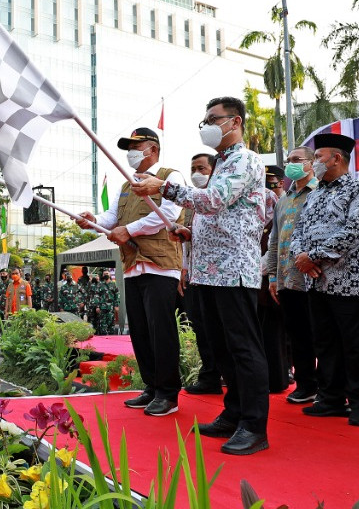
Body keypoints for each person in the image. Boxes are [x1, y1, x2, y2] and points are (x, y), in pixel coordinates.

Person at [132, 98, 270, 455]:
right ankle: (234, 412)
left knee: (243, 348)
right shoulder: (223, 163)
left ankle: (254, 425)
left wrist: (163, 188)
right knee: (220, 348)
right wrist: (191, 233)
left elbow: (214, 201)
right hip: (209, 271)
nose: (206, 125)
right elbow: (221, 214)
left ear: (234, 121)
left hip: (234, 270)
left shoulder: (245, 159)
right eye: (205, 119)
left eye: (213, 119)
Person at [77, 126, 185, 418]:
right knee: (140, 330)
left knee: (161, 330)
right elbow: (113, 217)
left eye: (137, 147)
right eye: (129, 148)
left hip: (161, 265)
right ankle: (151, 387)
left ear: (154, 149)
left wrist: (130, 229)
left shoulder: (170, 177)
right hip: (132, 266)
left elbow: (169, 215)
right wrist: (93, 220)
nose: (131, 153)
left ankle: (168, 393)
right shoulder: (126, 184)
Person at [289, 133, 359, 427]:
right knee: (324, 341)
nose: (314, 163)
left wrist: (311, 256)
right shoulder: (314, 194)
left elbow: (353, 232)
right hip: (315, 280)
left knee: (353, 342)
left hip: (347, 280)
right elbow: (297, 231)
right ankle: (330, 399)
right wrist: (301, 255)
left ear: (336, 158)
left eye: (317, 157)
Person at [264, 146, 318, 404]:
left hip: (315, 276)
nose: (291, 165)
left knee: (319, 333)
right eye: (289, 160)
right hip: (287, 278)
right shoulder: (284, 199)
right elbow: (274, 240)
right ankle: (306, 384)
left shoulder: (320, 192)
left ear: (311, 163)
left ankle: (327, 387)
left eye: (297, 160)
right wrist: (273, 276)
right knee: (296, 334)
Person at [182, 152, 224, 395]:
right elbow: (192, 238)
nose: (197, 173)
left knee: (220, 329)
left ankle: (224, 375)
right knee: (201, 326)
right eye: (193, 169)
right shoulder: (192, 202)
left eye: (202, 168)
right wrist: (184, 269)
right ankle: (209, 376)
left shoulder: (220, 196)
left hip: (220, 273)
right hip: (196, 273)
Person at [259, 164, 290, 394]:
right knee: (266, 328)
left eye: (271, 179)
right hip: (262, 279)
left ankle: (283, 373)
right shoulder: (264, 206)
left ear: (281, 181)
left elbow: (279, 243)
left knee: (281, 328)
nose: (268, 184)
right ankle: (273, 375)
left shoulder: (285, 204)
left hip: (281, 273)